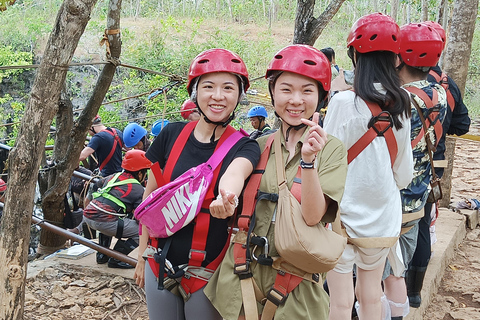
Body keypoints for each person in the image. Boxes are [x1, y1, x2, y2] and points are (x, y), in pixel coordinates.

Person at [205, 44, 348, 320]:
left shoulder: (331, 149)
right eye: (286, 90)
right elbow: (234, 183)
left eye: (307, 91)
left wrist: (308, 161)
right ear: (273, 93)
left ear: (321, 96)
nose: (295, 100)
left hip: (294, 286)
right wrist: (225, 202)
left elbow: (313, 215)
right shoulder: (258, 145)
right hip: (242, 277)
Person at [134, 48, 260, 320]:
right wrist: (142, 252)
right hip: (158, 261)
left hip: (208, 271)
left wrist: (228, 197)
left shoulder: (245, 146)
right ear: (195, 93)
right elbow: (150, 199)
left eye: (228, 87)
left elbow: (236, 174)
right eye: (208, 87)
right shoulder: (170, 134)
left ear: (239, 95)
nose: (218, 96)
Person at [323, 13, 414, 320]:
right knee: (372, 295)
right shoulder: (402, 103)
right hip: (381, 217)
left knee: (340, 301)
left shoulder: (342, 103)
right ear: (395, 59)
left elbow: (327, 161)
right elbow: (403, 172)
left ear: (353, 54)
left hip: (342, 217)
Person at [382, 22, 447, 320]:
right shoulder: (439, 93)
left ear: (397, 58)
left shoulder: (397, 100)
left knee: (376, 277)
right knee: (399, 270)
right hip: (416, 199)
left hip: (390, 200)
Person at [406, 20, 471, 309]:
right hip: (435, 163)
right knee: (422, 220)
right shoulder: (446, 86)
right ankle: (414, 292)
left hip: (405, 164)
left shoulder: (403, 87)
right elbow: (463, 124)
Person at [83, 149, 151, 269]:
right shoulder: (138, 189)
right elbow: (139, 218)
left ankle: (102, 255)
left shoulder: (113, 177)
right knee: (141, 232)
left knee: (112, 215)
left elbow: (93, 187)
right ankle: (117, 259)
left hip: (88, 215)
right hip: (104, 221)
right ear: (140, 173)